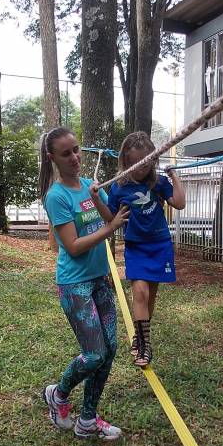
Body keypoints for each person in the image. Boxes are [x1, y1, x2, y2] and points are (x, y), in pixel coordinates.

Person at [39, 126, 130, 441]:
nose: (75, 157)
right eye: (66, 153)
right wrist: (111, 227)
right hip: (74, 284)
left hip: (99, 279)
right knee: (93, 354)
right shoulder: (56, 197)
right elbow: (74, 246)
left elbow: (110, 215)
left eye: (76, 149)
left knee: (110, 348)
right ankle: (58, 394)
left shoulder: (91, 186)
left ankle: (88, 420)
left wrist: (105, 201)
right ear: (52, 158)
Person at [90, 131, 185, 368]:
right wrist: (97, 200)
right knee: (140, 292)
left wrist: (174, 176)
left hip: (159, 245)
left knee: (150, 295)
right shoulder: (119, 187)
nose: (139, 168)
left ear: (152, 160)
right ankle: (144, 344)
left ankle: (140, 336)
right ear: (125, 161)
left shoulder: (158, 183)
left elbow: (179, 203)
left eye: (144, 162)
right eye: (133, 163)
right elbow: (110, 217)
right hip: (136, 247)